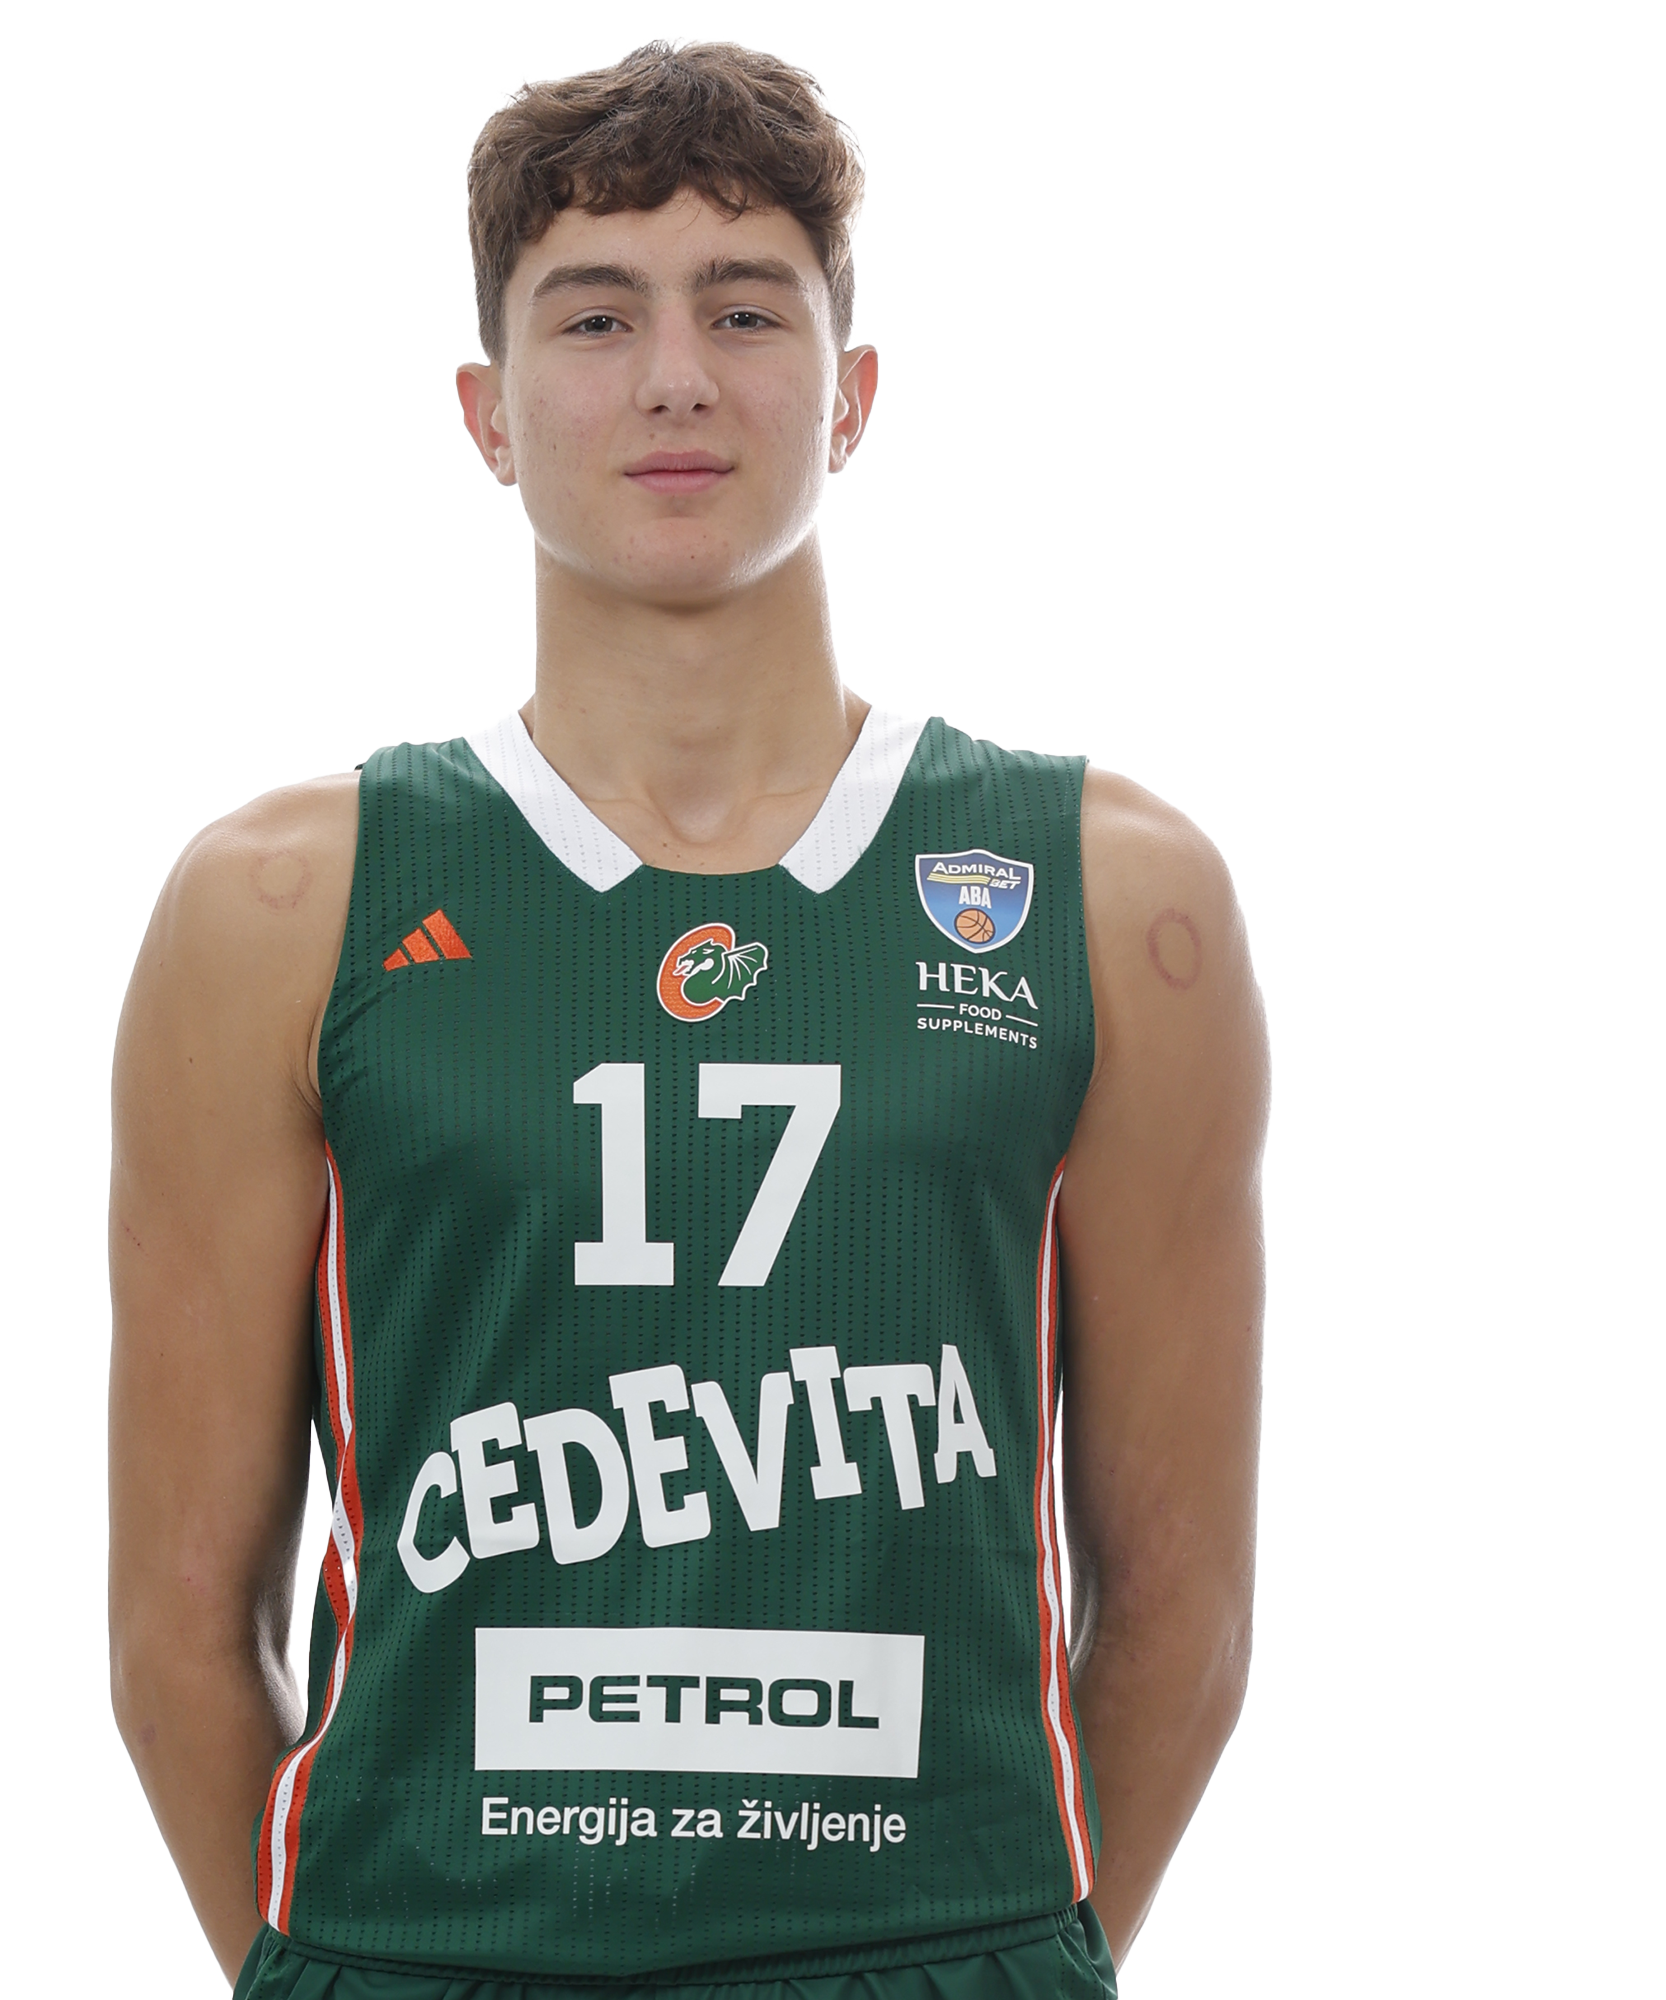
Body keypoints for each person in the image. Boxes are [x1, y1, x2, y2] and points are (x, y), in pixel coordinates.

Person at [109, 39, 1267, 2000]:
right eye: (594, 316)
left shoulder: (1103, 888)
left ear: (852, 394)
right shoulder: (282, 906)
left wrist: (1007, 1961)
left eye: (744, 310)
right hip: (432, 1946)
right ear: (485, 413)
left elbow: (1182, 1613)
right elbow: (174, 1629)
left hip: (936, 1940)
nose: (672, 377)